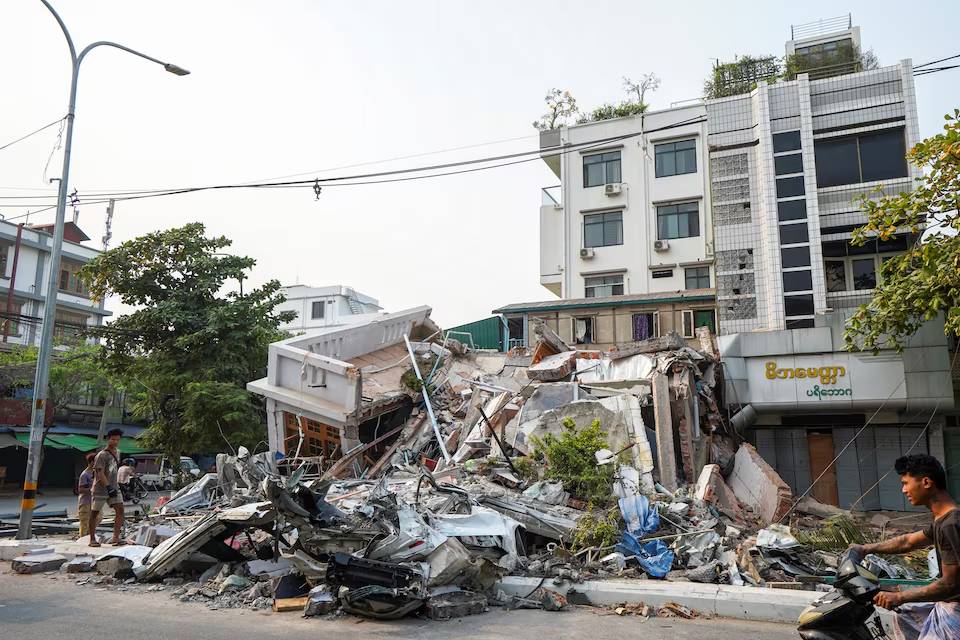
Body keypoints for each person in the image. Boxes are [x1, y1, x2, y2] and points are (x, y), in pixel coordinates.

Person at [848, 454, 960, 639]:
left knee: (904, 606)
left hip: (955, 612)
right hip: (948, 605)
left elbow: (951, 585)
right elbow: (908, 541)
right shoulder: (943, 519)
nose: (904, 490)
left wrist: (900, 596)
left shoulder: (950, 524)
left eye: (906, 483)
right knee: (905, 614)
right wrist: (865, 548)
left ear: (925, 482)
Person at [89, 428, 125, 547]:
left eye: (117, 440)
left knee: (120, 510)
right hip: (101, 488)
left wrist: (115, 485)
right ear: (108, 439)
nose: (115, 442)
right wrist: (108, 487)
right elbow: (100, 472)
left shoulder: (118, 452)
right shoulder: (102, 455)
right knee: (95, 513)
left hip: (115, 486)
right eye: (113, 439)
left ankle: (116, 537)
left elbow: (114, 470)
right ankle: (92, 539)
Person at [76, 453, 100, 540]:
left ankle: (90, 536)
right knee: (84, 522)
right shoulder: (85, 474)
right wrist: (92, 489)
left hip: (95, 501)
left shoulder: (97, 473)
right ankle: (83, 539)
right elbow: (80, 490)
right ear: (92, 462)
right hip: (85, 502)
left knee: (98, 518)